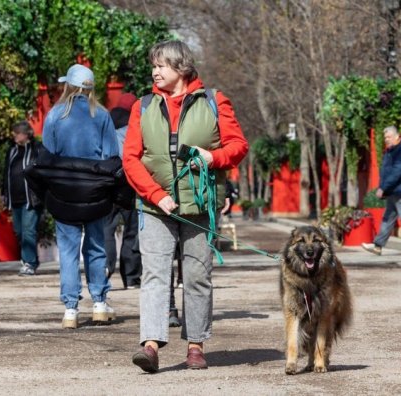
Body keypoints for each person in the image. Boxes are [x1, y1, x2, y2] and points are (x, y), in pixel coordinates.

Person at [123, 40, 248, 372]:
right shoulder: (143, 106)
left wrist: (213, 157)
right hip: (154, 207)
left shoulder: (214, 101)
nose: (155, 71)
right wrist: (155, 194)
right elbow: (131, 159)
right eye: (153, 65)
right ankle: (150, 346)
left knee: (197, 277)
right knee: (155, 275)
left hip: (200, 207)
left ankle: (196, 345)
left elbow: (238, 145)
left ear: (181, 67)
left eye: (161, 65)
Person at [42, 64, 119, 329]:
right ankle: (99, 302)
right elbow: (111, 155)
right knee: (96, 246)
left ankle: (70, 308)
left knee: (68, 250)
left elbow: (48, 156)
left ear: (68, 86)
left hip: (64, 191)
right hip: (95, 190)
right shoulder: (102, 115)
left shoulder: (54, 115)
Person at [361, 126, 401, 256]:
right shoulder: (391, 151)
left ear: (397, 136)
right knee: (387, 219)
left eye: (389, 137)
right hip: (393, 191)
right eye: (385, 137)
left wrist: (383, 187)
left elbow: (397, 172)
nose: (386, 140)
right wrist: (384, 187)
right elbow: (386, 172)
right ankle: (378, 246)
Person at [103, 93, 142, 289]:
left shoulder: (105, 125)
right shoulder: (136, 125)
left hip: (109, 184)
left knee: (106, 230)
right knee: (132, 232)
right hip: (131, 185)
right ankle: (132, 277)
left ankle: (105, 269)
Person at [3, 120, 43, 276]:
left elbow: (42, 171)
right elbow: (6, 173)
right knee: (19, 231)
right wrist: (4, 193)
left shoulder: (37, 149)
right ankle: (31, 259)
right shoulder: (11, 151)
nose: (14, 135)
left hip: (31, 198)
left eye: (17, 132)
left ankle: (29, 263)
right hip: (15, 198)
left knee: (28, 231)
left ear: (26, 134)